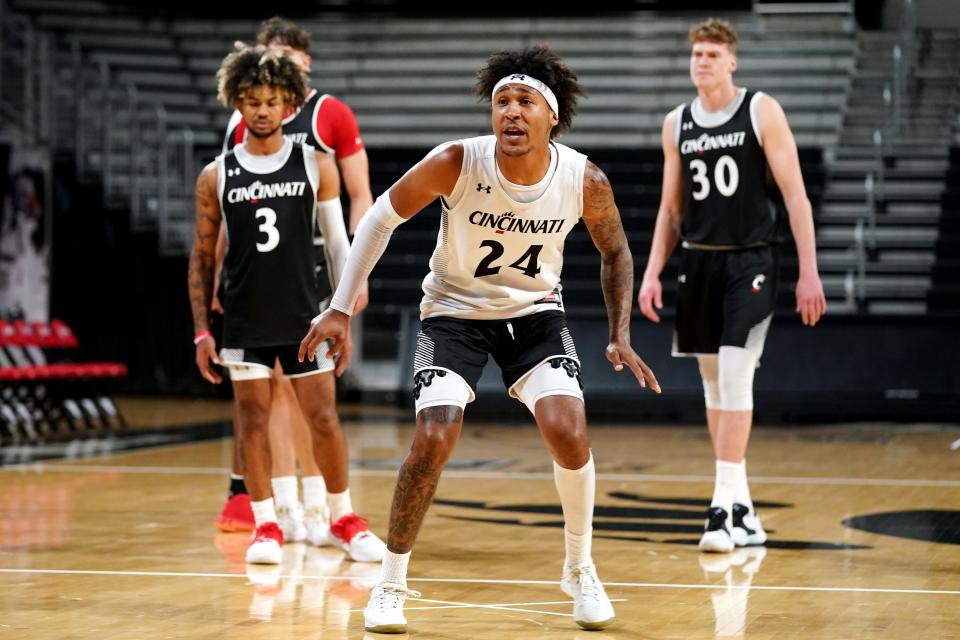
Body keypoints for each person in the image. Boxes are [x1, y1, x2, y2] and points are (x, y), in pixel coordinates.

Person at [300, 44, 661, 633]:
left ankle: (579, 567)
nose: (511, 112)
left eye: (525, 102)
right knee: (434, 436)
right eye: (501, 101)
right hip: (453, 314)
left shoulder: (583, 178)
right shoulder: (457, 162)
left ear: (552, 117)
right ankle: (390, 584)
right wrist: (341, 307)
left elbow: (615, 249)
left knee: (568, 430)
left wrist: (620, 333)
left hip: (537, 315)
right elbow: (379, 217)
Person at [189, 43, 384, 565]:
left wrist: (342, 316)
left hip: (306, 314)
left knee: (323, 418)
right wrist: (201, 331)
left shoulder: (315, 162)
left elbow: (339, 243)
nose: (261, 109)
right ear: (237, 103)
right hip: (245, 318)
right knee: (251, 420)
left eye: (272, 100)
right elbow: (203, 259)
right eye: (251, 99)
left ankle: (342, 517)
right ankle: (266, 525)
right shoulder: (217, 174)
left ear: (288, 104)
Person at [637, 18, 827, 553]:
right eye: (697, 53)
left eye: (713, 54)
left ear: (732, 62)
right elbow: (671, 209)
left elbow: (795, 196)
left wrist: (809, 270)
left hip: (752, 260)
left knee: (737, 371)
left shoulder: (760, 110)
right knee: (714, 384)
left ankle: (720, 510)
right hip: (698, 262)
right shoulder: (676, 122)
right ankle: (741, 508)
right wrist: (652, 270)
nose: (703, 61)